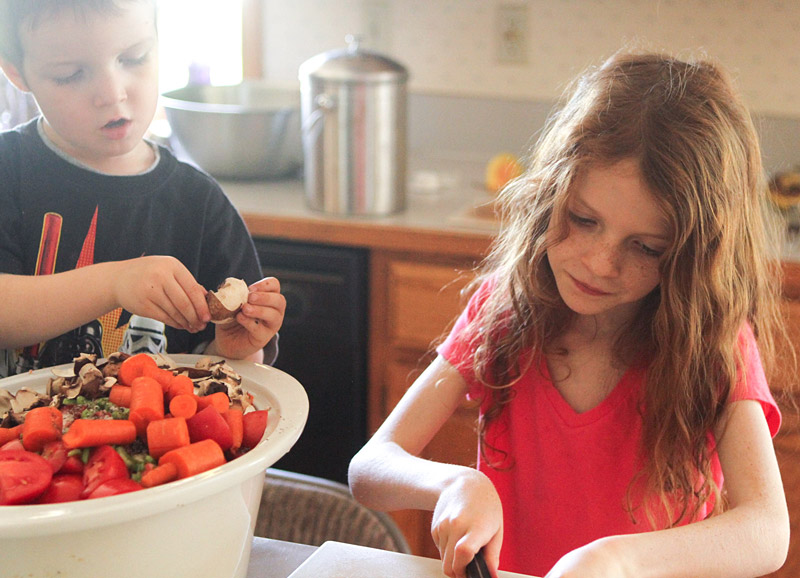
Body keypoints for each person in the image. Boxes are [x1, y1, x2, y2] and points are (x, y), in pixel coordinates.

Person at [348, 51, 790, 578]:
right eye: (583, 220)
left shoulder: (712, 343)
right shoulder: (505, 309)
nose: (601, 263)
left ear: (693, 256)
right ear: (551, 193)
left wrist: (619, 559)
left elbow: (767, 530)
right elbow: (370, 468)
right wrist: (456, 483)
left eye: (646, 248)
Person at [0, 0, 285, 375]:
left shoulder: (200, 204)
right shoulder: (9, 170)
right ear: (17, 74)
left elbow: (224, 379)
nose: (112, 93)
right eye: (70, 74)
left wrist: (235, 350)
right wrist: (115, 283)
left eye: (134, 57)